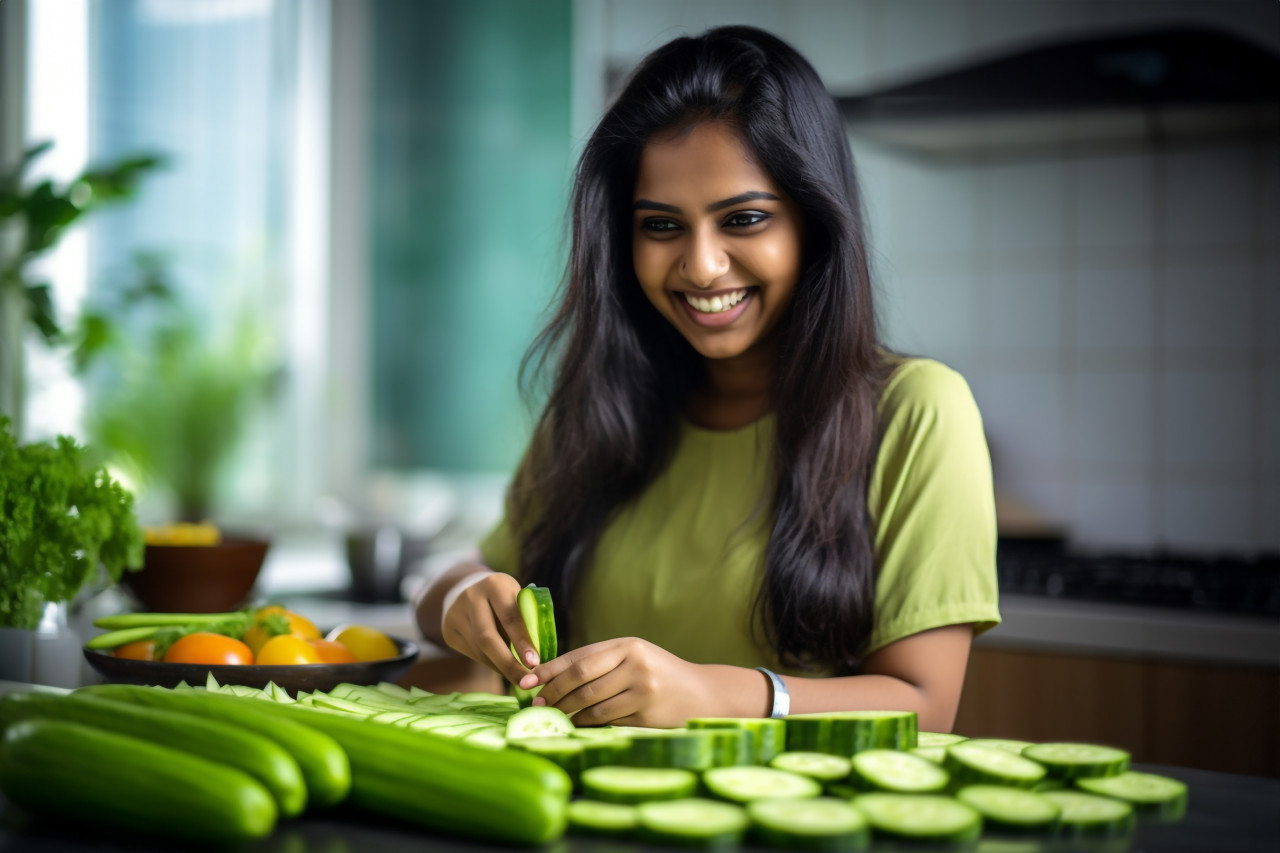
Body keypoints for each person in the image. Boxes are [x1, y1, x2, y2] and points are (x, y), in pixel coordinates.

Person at [415, 25, 999, 732]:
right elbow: (454, 581)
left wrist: (718, 694)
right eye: (661, 226)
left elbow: (926, 706)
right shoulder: (597, 409)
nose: (701, 266)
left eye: (744, 219)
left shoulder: (918, 410)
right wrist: (463, 598)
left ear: (813, 222)